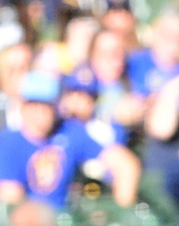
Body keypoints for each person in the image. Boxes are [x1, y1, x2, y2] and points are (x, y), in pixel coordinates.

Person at [0, 71, 141, 209]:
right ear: (23, 106)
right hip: (28, 223)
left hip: (66, 222)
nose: (41, 111)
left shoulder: (69, 131)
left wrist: (123, 212)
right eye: (35, 103)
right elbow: (12, 200)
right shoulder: (8, 142)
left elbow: (126, 165)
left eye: (47, 104)